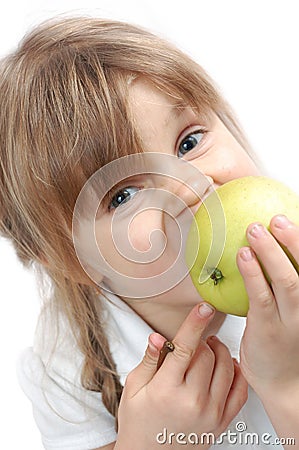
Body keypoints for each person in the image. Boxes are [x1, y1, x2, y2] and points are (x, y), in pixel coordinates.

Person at [0, 16, 298, 450]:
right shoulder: (76, 359)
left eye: (189, 142)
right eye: (123, 195)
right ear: (73, 262)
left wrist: (286, 382)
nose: (190, 188)